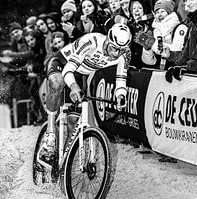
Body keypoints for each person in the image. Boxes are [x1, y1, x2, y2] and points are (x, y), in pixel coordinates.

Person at [39, 23, 132, 163]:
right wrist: (74, 87)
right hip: (63, 63)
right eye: (114, 48)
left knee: (74, 122)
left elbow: (121, 79)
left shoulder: (125, 54)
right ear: (107, 40)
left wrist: (120, 96)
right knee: (57, 83)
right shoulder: (91, 41)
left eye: (121, 50)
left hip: (79, 73)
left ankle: (64, 163)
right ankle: (50, 132)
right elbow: (68, 70)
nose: (116, 54)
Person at [165, 0, 197, 81]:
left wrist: (187, 66)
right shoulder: (193, 22)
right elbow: (187, 50)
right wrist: (177, 64)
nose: (187, 4)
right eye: (185, 0)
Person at [142, 0, 187, 70]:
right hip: (158, 72)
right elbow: (150, 62)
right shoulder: (156, 30)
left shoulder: (180, 28)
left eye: (162, 11)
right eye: (157, 12)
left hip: (175, 71)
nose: (159, 15)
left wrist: (154, 44)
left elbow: (177, 51)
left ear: (170, 12)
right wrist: (147, 49)